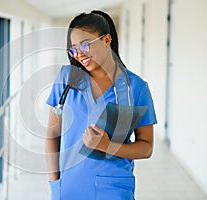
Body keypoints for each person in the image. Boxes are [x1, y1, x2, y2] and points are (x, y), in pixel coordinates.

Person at [45, 10, 157, 200]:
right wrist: (55, 181)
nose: (79, 54)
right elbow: (51, 135)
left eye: (85, 45)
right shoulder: (67, 78)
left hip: (114, 188)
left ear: (106, 40)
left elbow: (146, 148)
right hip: (68, 187)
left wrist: (108, 146)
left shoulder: (136, 88)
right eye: (74, 49)